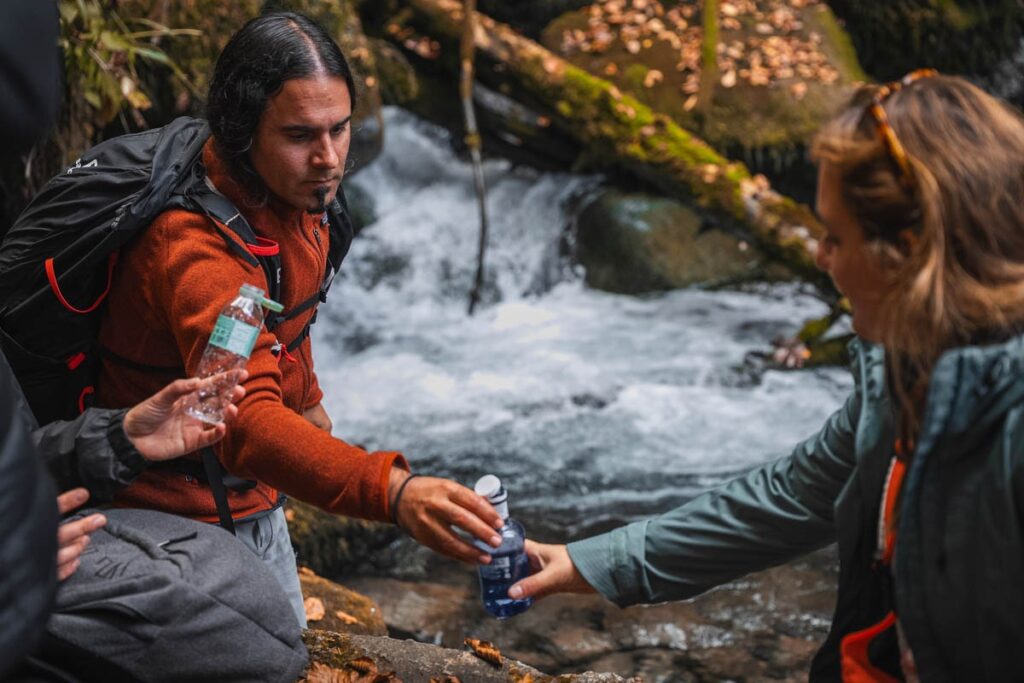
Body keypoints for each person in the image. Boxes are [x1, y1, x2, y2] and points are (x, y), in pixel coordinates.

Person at [511, 72, 1024, 681]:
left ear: (908, 253)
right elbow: (796, 494)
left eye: (834, 236)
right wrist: (590, 563)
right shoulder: (907, 369)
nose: (818, 257)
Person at [93, 10, 504, 628]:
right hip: (167, 519)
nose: (329, 158)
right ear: (240, 131)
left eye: (340, 130)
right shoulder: (197, 250)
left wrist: (307, 394)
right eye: (300, 135)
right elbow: (246, 425)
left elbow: (288, 310)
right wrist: (392, 490)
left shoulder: (294, 201)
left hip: (247, 499)